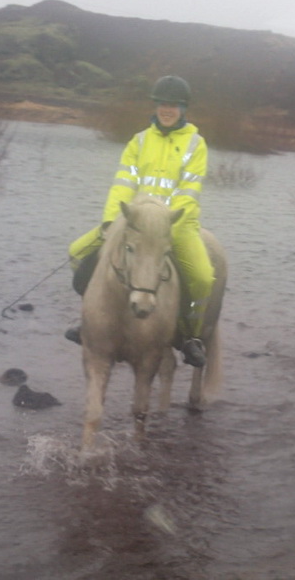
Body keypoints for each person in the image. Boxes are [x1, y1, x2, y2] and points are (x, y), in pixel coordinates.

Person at [66, 75, 214, 368]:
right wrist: (112, 221)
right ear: (156, 105)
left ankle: (189, 337)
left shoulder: (196, 144)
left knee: (202, 278)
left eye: (173, 105)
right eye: (162, 104)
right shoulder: (139, 140)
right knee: (77, 252)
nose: (167, 110)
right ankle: (92, 320)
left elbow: (188, 192)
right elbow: (123, 184)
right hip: (132, 224)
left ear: (183, 108)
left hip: (175, 226)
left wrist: (165, 227)